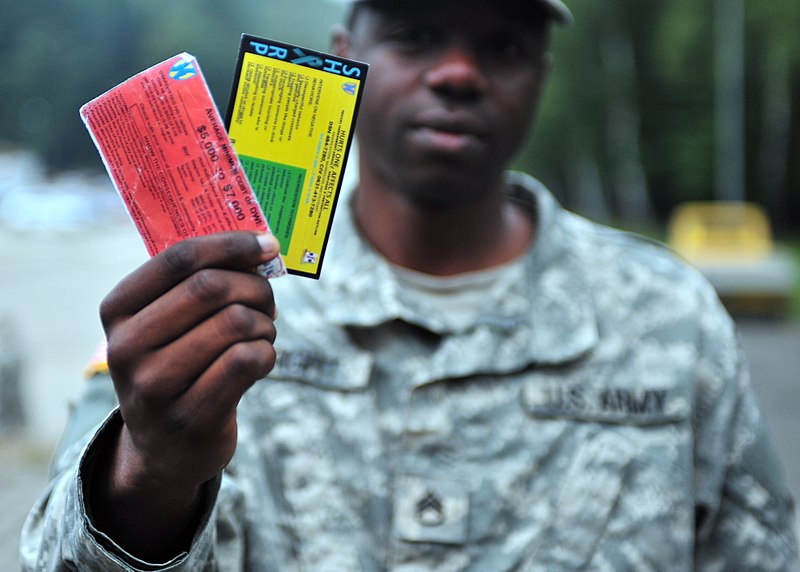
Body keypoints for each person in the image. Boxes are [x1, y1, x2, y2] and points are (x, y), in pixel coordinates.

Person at [20, 0, 800, 569]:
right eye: (416, 34)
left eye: (502, 44)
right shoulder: (204, 307)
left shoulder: (671, 315)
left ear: (542, 75)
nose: (459, 73)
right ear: (345, 52)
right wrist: (148, 476)